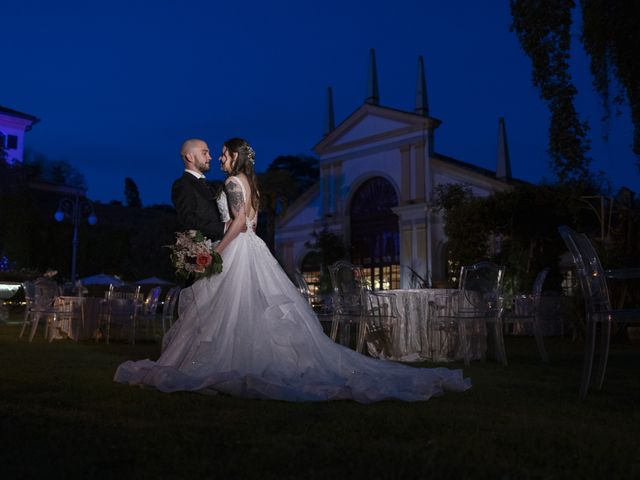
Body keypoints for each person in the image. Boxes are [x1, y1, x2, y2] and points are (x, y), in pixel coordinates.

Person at [114, 138, 471, 403]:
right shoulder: (246, 183)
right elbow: (247, 220)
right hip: (251, 248)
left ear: (235, 156)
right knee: (242, 308)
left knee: (234, 307)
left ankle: (237, 360)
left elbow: (238, 222)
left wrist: (216, 252)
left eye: (222, 153)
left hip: (237, 248)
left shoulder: (232, 183)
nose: (219, 157)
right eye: (213, 153)